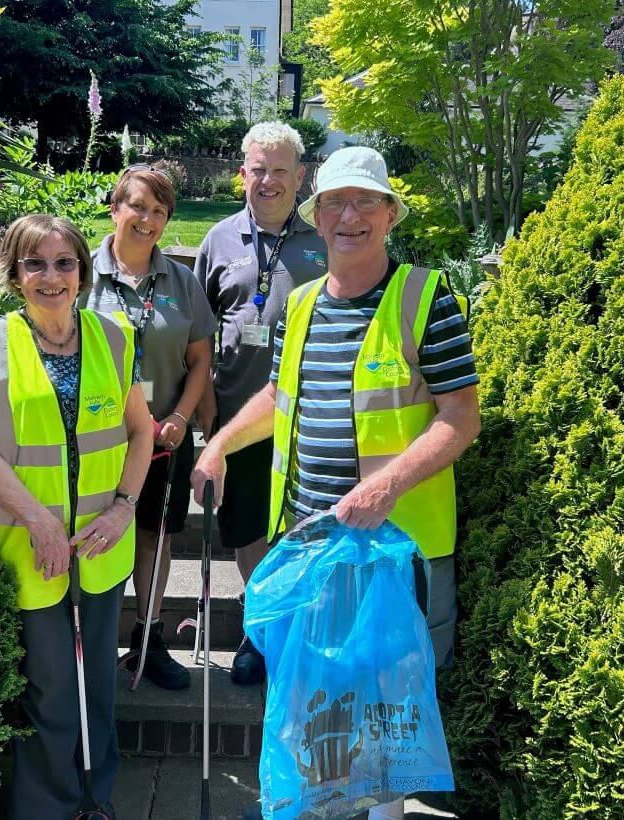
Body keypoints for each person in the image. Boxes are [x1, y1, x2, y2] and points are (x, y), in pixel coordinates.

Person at [190, 147, 481, 820]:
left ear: (389, 215)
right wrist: (222, 447)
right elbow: (278, 393)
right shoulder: (301, 303)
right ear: (316, 218)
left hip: (395, 548)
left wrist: (388, 486)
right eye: (334, 204)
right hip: (310, 544)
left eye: (365, 202)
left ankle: (383, 814)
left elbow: (460, 418)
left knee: (388, 703)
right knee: (319, 701)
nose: (349, 217)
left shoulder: (423, 297)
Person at [0, 214, 154, 819]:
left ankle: (95, 798)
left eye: (64, 262)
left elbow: (142, 431)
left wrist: (125, 508)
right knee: (49, 687)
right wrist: (40, 521)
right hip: (30, 544)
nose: (52, 276)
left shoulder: (115, 336)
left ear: (82, 271)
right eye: (34, 264)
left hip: (100, 545)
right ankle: (46, 806)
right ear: (14, 274)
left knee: (96, 681)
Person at [193, 121, 328, 686]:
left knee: (302, 526)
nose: (267, 181)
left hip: (312, 420)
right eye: (257, 169)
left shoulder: (326, 241)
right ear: (241, 175)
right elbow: (196, 334)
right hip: (240, 418)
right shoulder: (218, 240)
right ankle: (260, 627)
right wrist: (203, 411)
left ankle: (302, 628)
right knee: (247, 527)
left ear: (300, 177)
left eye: (279, 170)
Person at [80, 164, 216, 690]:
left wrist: (182, 417)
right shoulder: (80, 274)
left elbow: (201, 359)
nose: (148, 219)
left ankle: (148, 636)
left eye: (160, 211)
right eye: (138, 206)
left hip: (163, 440)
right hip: (96, 440)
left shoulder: (182, 282)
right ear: (115, 209)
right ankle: (88, 640)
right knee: (97, 535)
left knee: (154, 538)